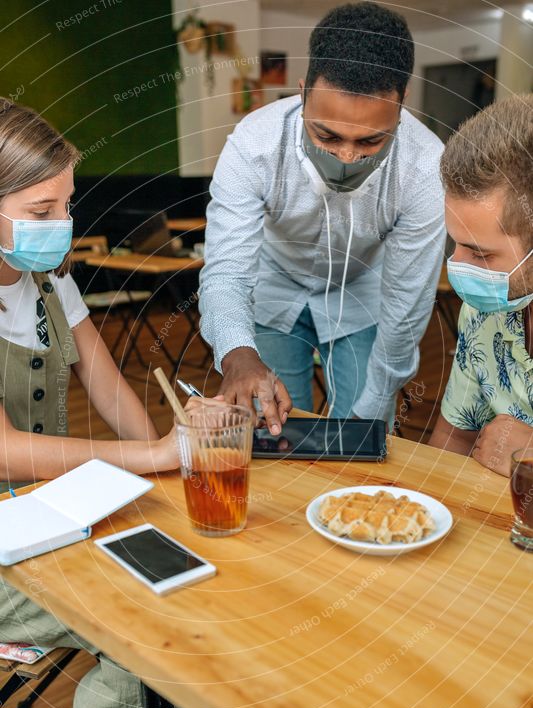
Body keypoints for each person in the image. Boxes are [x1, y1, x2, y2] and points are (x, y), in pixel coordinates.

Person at [0, 97, 180, 708]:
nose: (61, 227)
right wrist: (151, 459)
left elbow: (108, 388)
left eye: (66, 206)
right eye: (41, 211)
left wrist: (171, 449)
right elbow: (8, 453)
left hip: (40, 522)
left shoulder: (49, 282)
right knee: (144, 632)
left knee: (167, 605)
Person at [199, 1, 446, 434]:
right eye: (326, 135)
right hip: (274, 283)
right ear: (301, 91)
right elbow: (225, 275)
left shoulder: (426, 168)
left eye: (371, 140)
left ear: (402, 103)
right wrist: (238, 354)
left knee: (366, 433)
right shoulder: (252, 146)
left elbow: (408, 298)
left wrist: (373, 408)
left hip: (362, 287)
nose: (347, 156)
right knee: (277, 430)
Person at [429, 94, 533, 477]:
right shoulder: (484, 312)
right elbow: (453, 441)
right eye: (454, 243)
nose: (457, 266)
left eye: (481, 254)